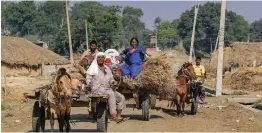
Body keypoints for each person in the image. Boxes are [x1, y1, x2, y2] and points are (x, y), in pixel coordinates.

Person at [86, 52, 128, 122]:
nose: (100, 59)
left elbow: (111, 79)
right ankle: (113, 115)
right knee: (111, 93)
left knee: (121, 98)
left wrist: (113, 82)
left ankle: (118, 116)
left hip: (108, 88)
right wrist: (89, 83)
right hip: (97, 89)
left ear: (104, 59)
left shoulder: (107, 68)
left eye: (102, 57)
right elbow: (88, 78)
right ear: (96, 59)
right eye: (99, 57)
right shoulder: (93, 68)